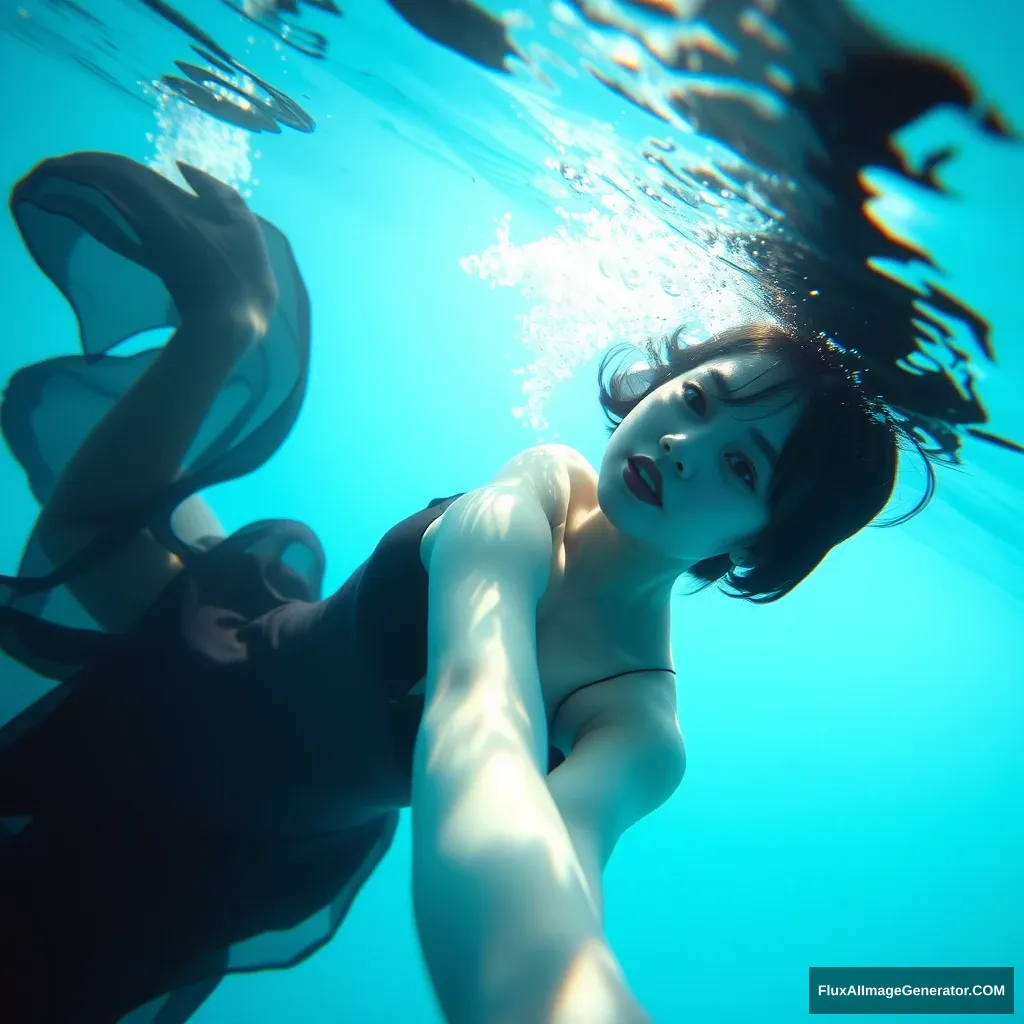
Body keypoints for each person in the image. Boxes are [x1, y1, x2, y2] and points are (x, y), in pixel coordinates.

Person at [0, 152, 933, 1024]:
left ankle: (227, 326)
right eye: (696, 399)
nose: (683, 448)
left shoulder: (636, 731)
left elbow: (543, 864)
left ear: (759, 545)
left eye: (740, 466)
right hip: (220, 657)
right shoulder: (544, 479)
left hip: (228, 837)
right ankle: (226, 321)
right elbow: (475, 700)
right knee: (88, 529)